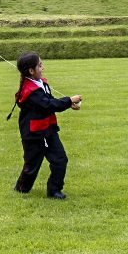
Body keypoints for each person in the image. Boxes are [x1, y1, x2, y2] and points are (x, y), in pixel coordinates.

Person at [12, 51, 81, 200]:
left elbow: (51, 101)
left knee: (60, 160)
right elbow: (48, 105)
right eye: (40, 65)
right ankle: (21, 189)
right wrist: (69, 100)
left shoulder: (41, 83)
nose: (43, 68)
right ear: (31, 71)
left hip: (48, 130)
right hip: (33, 134)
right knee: (31, 166)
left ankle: (54, 190)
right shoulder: (30, 91)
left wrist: (69, 105)